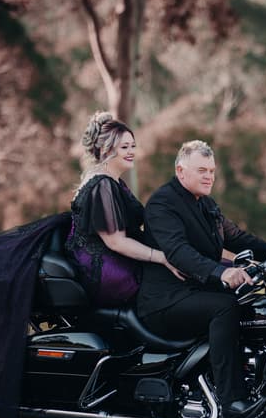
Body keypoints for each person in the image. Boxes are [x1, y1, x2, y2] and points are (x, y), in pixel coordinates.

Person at [137, 140, 266, 418]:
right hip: (165, 299)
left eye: (212, 171)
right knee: (224, 307)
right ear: (181, 171)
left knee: (257, 304)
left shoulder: (206, 204)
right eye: (201, 170)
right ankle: (232, 402)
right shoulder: (163, 203)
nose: (209, 176)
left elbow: (237, 238)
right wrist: (221, 272)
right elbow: (177, 251)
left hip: (194, 291)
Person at [66, 112, 182, 306]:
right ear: (104, 149)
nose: (131, 152)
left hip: (115, 260)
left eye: (133, 146)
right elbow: (116, 242)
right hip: (107, 270)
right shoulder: (102, 184)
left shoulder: (111, 181)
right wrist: (162, 257)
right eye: (124, 147)